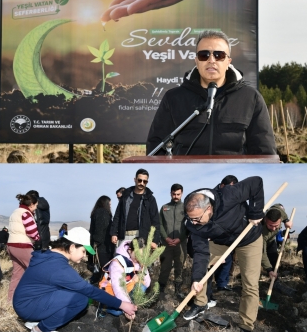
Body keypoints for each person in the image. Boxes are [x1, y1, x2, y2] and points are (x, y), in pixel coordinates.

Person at [146, 30, 276, 156]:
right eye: (204, 55)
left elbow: (264, 151)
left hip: (233, 175)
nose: (211, 60)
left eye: (219, 55)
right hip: (186, 175)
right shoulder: (174, 98)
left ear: (228, 62)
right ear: (196, 61)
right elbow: (156, 146)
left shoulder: (250, 98)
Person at [13, 227, 137, 332]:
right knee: (80, 299)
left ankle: (36, 320)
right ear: (72, 247)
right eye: (83, 251)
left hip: (28, 301)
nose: (84, 257)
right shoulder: (58, 267)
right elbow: (90, 291)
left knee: (76, 292)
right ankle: (40, 330)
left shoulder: (50, 256)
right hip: (27, 306)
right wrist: (121, 304)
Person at [182, 176, 267, 332]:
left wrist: (255, 212)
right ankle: (200, 303)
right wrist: (197, 278)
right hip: (222, 241)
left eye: (197, 219)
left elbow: (256, 182)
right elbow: (200, 252)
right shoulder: (193, 223)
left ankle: (246, 326)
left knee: (250, 284)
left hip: (249, 238)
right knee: (201, 269)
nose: (194, 223)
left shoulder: (229, 195)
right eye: (190, 219)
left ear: (208, 209)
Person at [97, 240, 153, 318]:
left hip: (126, 287)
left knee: (141, 287)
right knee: (117, 312)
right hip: (109, 290)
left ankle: (129, 303)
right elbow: (118, 287)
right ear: (130, 250)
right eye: (138, 255)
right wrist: (127, 307)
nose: (140, 258)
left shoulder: (138, 261)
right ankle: (104, 307)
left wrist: (144, 267)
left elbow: (147, 283)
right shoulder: (118, 262)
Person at [110, 169, 160, 249]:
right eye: (140, 180)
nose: (142, 183)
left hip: (141, 237)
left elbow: (156, 221)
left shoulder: (150, 199)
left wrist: (155, 240)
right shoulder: (125, 196)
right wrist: (114, 233)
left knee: (139, 261)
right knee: (122, 260)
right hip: (123, 236)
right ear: (135, 179)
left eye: (145, 181)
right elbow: (117, 215)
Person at [7, 192, 40, 302]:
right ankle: (36, 298)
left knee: (17, 274)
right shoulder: (26, 213)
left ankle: (10, 300)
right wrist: (39, 239)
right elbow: (31, 231)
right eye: (36, 206)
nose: (36, 208)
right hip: (22, 246)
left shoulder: (15, 212)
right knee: (36, 271)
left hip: (11, 245)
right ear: (31, 204)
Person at [209, 175, 240, 296]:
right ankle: (208, 287)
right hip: (213, 234)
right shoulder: (212, 196)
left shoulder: (234, 197)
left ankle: (222, 284)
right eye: (229, 188)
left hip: (227, 234)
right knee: (213, 261)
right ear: (222, 186)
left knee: (227, 259)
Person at [158, 183, 188, 295]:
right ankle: (161, 290)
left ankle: (178, 290)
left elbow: (189, 226)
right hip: (167, 244)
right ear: (170, 193)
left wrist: (180, 239)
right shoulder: (164, 208)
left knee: (179, 266)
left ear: (182, 193)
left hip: (181, 243)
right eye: (174, 194)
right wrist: (166, 238)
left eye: (178, 194)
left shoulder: (186, 208)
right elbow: (160, 224)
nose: (176, 196)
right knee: (165, 267)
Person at [260, 203, 292, 280]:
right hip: (260, 242)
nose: (274, 229)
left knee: (274, 258)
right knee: (259, 261)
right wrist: (269, 269)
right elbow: (262, 253)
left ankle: (275, 280)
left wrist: (286, 221)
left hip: (271, 240)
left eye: (276, 225)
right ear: (265, 220)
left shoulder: (280, 214)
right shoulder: (261, 232)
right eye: (271, 225)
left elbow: (277, 207)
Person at [90, 195, 115, 269]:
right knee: (104, 269)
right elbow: (100, 229)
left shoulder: (97, 212)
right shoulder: (102, 212)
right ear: (105, 203)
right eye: (109, 204)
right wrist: (98, 241)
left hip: (102, 246)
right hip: (103, 247)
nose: (110, 206)